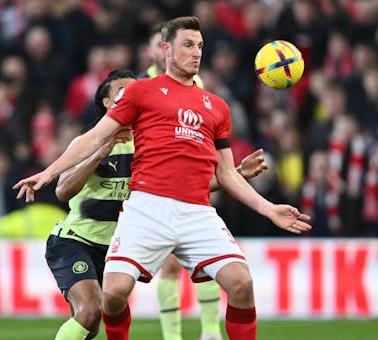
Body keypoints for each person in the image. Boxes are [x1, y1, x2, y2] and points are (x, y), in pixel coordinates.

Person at [14, 17, 311, 340]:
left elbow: (225, 174)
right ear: (166, 50)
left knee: (242, 283)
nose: (196, 52)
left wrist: (269, 209)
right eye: (187, 44)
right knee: (112, 294)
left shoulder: (217, 106)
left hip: (197, 211)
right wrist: (48, 172)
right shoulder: (141, 91)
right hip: (146, 208)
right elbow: (95, 136)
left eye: (199, 45)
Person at [44, 69, 268, 340]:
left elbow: (188, 186)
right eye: (123, 93)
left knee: (92, 325)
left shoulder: (152, 143)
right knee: (90, 312)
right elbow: (63, 190)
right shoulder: (89, 140)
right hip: (77, 240)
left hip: (119, 246)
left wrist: (237, 173)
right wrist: (100, 152)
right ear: (107, 103)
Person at [143, 22, 220, 340]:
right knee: (172, 266)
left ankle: (211, 331)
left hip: (196, 180)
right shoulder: (142, 86)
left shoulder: (195, 82)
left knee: (208, 261)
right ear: (159, 50)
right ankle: (174, 336)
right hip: (158, 185)